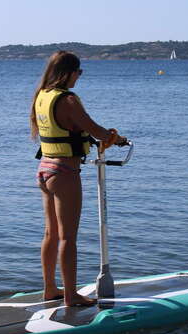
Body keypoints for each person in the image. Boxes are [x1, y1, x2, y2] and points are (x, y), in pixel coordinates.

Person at [29, 51, 126, 306]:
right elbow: (96, 130)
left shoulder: (42, 95)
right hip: (64, 173)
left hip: (44, 169)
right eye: (79, 72)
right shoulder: (67, 100)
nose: (79, 77)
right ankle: (71, 296)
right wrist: (116, 138)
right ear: (68, 72)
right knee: (67, 237)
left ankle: (50, 289)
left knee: (51, 233)